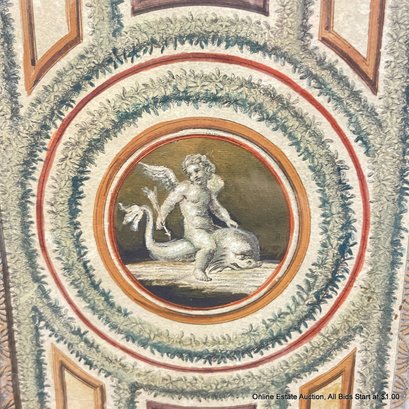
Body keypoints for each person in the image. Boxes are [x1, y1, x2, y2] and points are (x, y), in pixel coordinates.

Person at [156, 154, 238, 281]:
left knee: (228, 240)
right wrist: (161, 217)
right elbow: (169, 203)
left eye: (197, 171)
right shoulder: (185, 187)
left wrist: (227, 219)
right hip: (194, 229)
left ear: (206, 169)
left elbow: (217, 209)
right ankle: (199, 270)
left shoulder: (208, 192)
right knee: (209, 246)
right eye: (190, 174)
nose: (194, 175)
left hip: (209, 227)